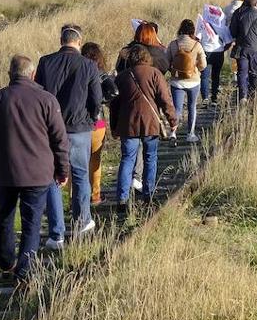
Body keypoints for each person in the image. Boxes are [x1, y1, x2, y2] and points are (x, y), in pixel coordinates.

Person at [0, 55, 69, 282]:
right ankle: (24, 272)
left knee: (4, 216)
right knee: (32, 222)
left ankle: (6, 263)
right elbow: (60, 139)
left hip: (5, 173)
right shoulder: (47, 100)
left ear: (9, 74)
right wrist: (62, 169)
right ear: (33, 75)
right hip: (38, 173)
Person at [35, 25, 103, 242]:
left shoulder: (45, 62)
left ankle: (57, 232)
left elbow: (38, 95)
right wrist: (91, 120)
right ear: (79, 42)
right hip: (80, 128)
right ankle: (82, 220)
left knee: (53, 178)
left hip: (51, 129)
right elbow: (96, 99)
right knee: (80, 175)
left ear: (61, 39)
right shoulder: (89, 65)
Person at [110, 46, 176, 204]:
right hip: (150, 123)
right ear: (147, 58)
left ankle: (122, 198)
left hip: (128, 124)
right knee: (150, 158)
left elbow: (114, 105)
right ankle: (148, 194)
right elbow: (165, 100)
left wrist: (114, 127)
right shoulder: (155, 74)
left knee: (127, 159)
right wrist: (172, 120)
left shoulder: (122, 77)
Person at [81, 42, 117, 204]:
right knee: (95, 159)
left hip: (79, 122)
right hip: (98, 122)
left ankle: (77, 196)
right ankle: (95, 195)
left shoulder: (77, 72)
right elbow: (114, 91)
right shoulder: (100, 73)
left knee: (77, 161)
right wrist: (101, 101)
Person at [166, 19, 207, 143]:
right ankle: (190, 134)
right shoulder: (197, 45)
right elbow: (203, 65)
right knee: (191, 107)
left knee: (177, 109)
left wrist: (174, 71)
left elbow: (167, 61)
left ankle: (173, 133)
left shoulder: (173, 44)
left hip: (177, 81)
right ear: (192, 30)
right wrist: (196, 70)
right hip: (193, 81)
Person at [198, 7, 232, 106]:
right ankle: (214, 98)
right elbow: (229, 42)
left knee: (204, 77)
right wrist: (223, 49)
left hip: (205, 52)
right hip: (219, 53)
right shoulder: (223, 27)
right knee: (216, 76)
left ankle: (205, 98)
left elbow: (197, 38)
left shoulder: (203, 25)